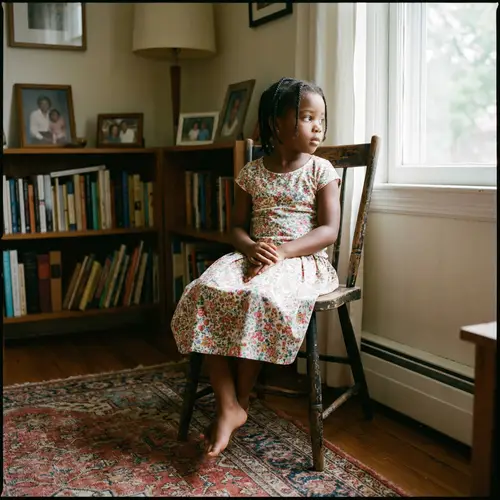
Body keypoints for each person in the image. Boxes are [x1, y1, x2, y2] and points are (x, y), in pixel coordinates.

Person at [171, 77, 341, 458]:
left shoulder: (321, 170)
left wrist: (283, 251)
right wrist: (250, 246)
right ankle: (228, 402)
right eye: (307, 117)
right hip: (252, 254)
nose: (318, 126)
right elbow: (235, 226)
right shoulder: (252, 172)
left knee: (257, 295)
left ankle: (240, 401)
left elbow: (329, 230)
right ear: (277, 124)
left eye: (321, 119)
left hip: (300, 260)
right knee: (204, 291)